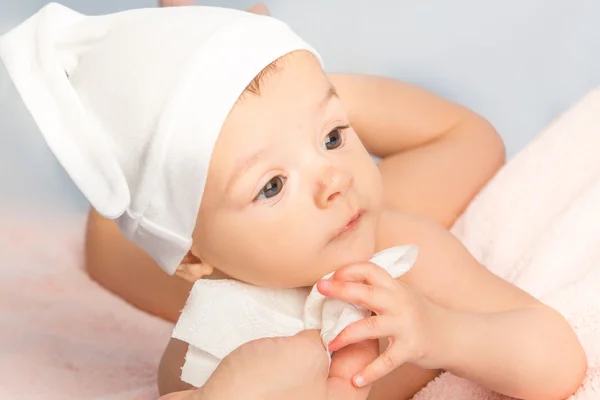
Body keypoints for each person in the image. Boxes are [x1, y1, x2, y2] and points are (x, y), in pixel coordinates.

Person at [1, 3, 585, 400]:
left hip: (326, 229)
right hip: (210, 256)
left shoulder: (408, 255)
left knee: (469, 142)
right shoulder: (208, 342)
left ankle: (268, 84)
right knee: (110, 236)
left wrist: (442, 332)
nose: (334, 178)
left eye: (335, 137)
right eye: (271, 186)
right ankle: (243, 86)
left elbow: (559, 357)